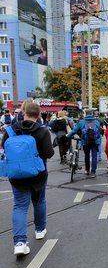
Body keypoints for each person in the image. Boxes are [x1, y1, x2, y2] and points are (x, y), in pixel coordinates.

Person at [0, 102, 54, 256]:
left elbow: (4, 149)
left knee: (20, 206)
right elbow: (49, 153)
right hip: (38, 175)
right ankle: (39, 230)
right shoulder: (43, 131)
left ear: (23, 113)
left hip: (17, 176)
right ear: (38, 115)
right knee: (39, 201)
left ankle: (19, 243)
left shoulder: (10, 130)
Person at [66, 109, 101, 178]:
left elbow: (74, 130)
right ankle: (93, 172)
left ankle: (87, 170)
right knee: (94, 156)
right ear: (92, 114)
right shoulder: (97, 121)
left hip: (85, 141)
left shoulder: (82, 121)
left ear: (85, 114)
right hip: (95, 141)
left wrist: (68, 135)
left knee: (86, 155)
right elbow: (98, 132)